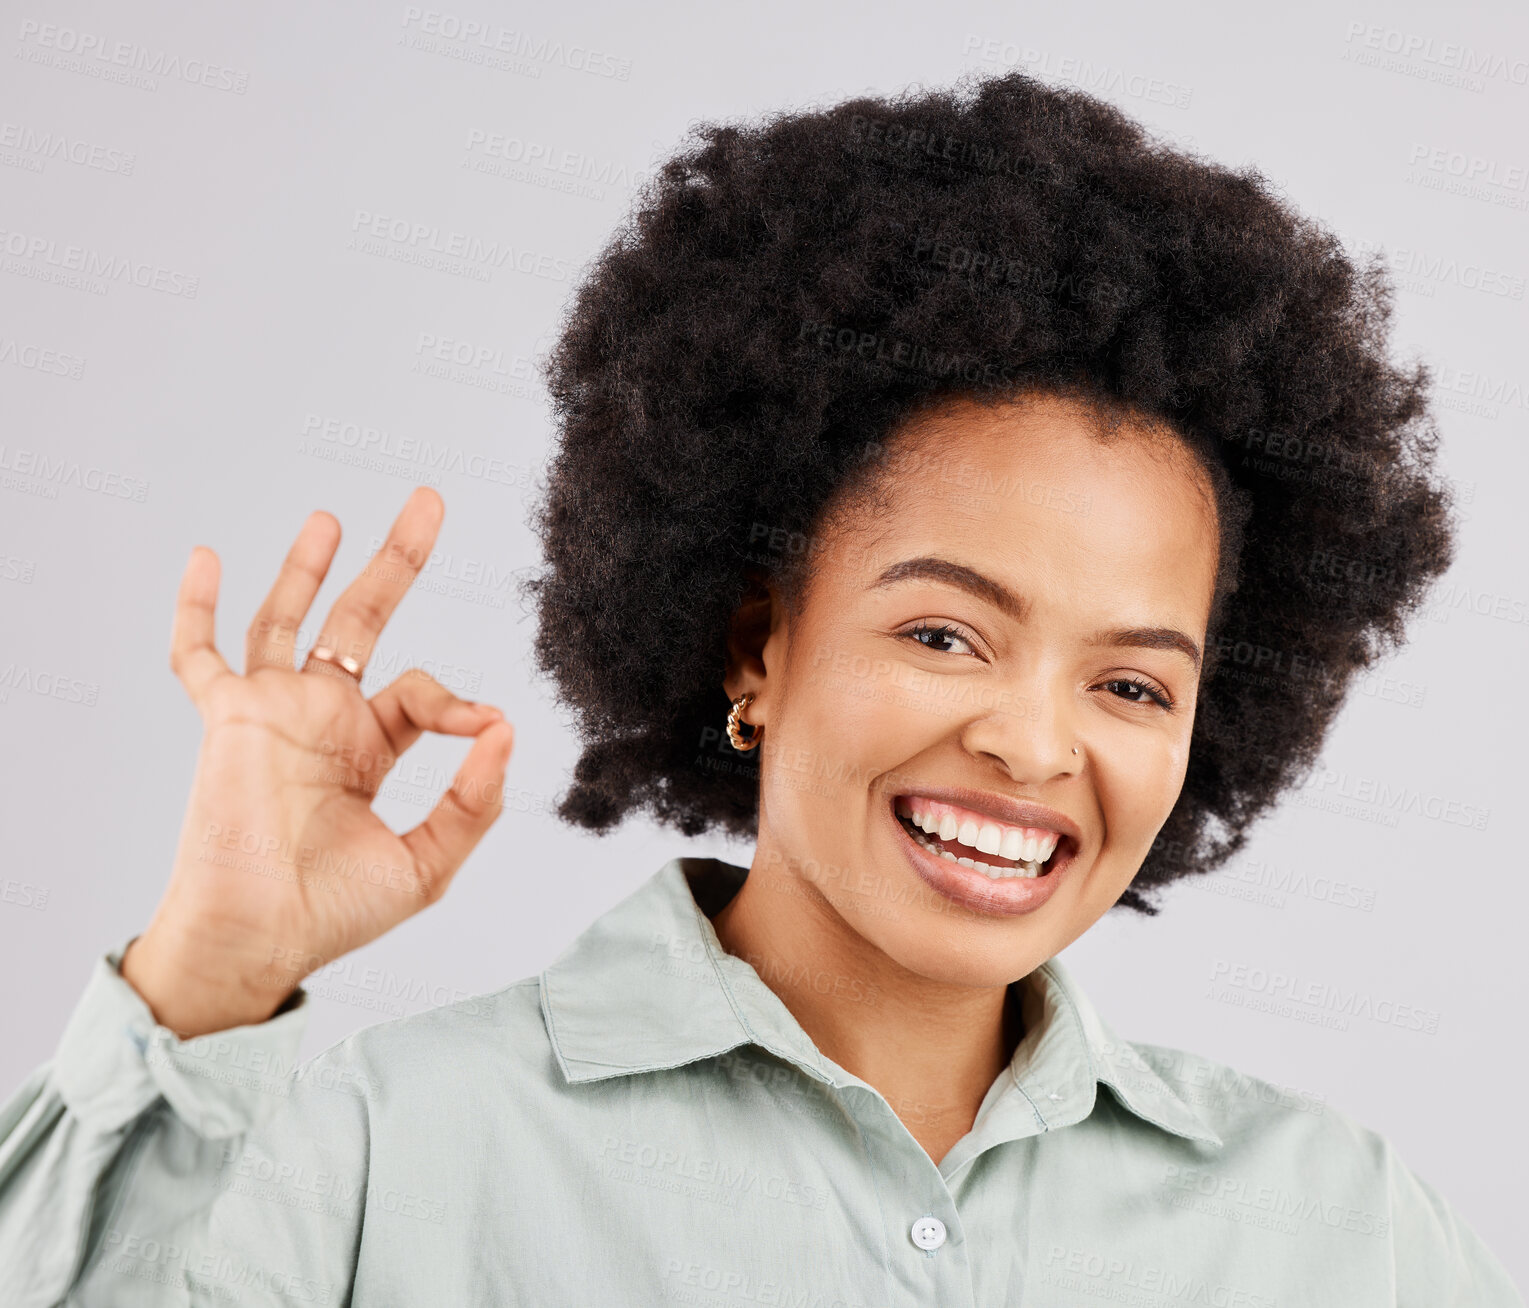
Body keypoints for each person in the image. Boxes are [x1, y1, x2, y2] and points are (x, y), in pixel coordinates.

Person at [1, 68, 1520, 1306]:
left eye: (1129, 685)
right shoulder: (391, 1151)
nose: (1031, 742)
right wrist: (203, 982)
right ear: (755, 646)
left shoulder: (1334, 1228)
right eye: (943, 634)